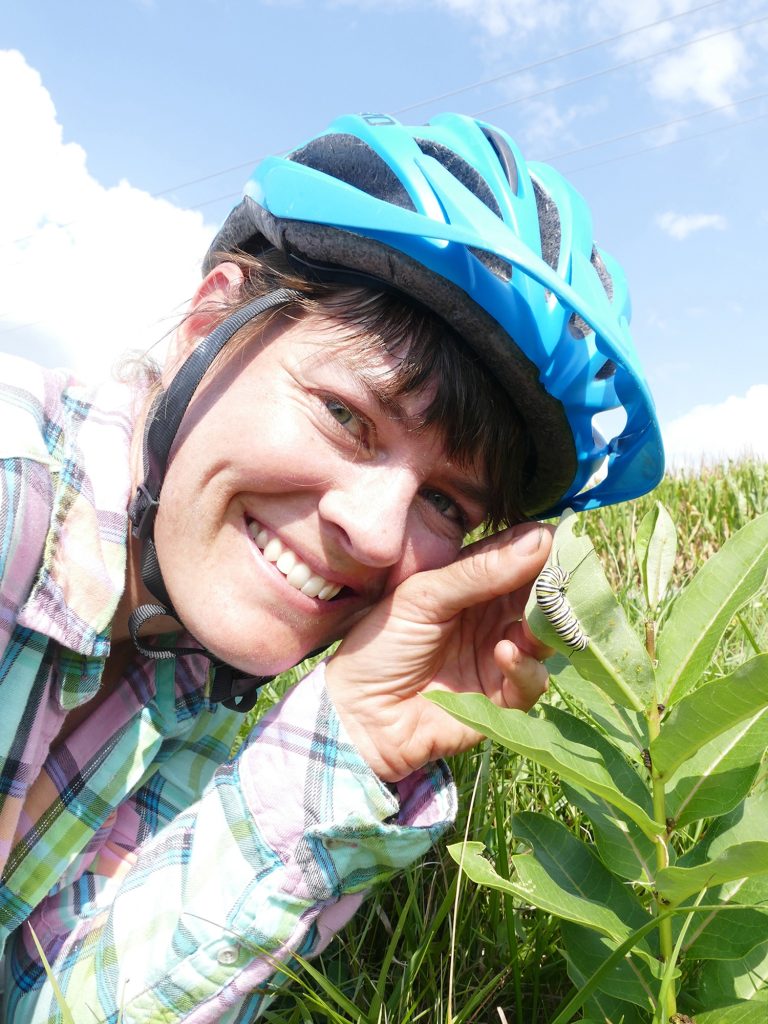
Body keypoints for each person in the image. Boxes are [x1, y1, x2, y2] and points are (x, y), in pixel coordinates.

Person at [0, 112, 663, 1023]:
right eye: (347, 416)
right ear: (209, 322)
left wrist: (347, 739)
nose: (379, 534)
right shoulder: (13, 494)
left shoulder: (196, 687)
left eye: (446, 504)